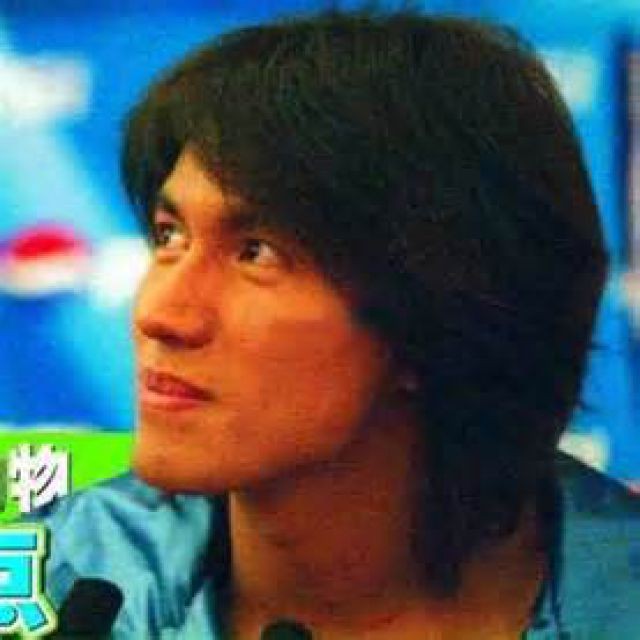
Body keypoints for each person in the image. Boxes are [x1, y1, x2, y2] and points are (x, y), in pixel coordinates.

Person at [29, 7, 640, 639]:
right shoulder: (46, 583)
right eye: (169, 236)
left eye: (256, 252)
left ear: (441, 310)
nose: (160, 314)